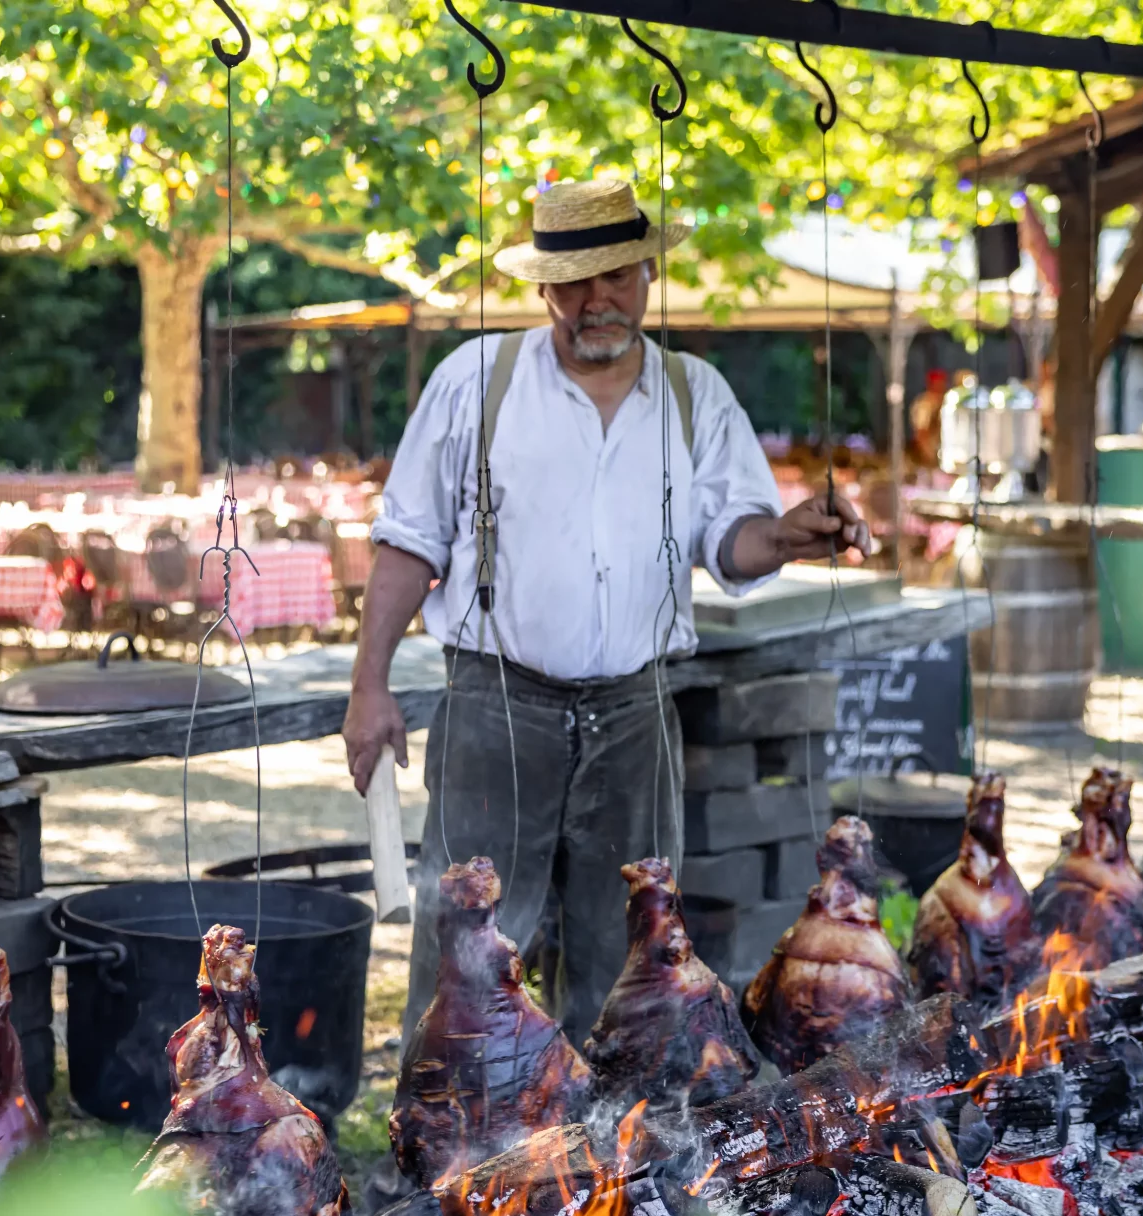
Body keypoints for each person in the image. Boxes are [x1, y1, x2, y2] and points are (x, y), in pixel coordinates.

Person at [342, 177, 870, 1042]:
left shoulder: (696, 395)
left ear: (648, 275)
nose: (599, 299)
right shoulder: (475, 382)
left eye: (617, 274)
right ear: (543, 286)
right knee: (469, 953)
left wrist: (786, 537)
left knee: (631, 956)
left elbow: (731, 538)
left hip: (634, 713)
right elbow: (408, 545)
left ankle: (616, 1156)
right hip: (495, 704)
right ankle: (446, 1160)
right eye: (578, 280)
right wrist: (370, 686)